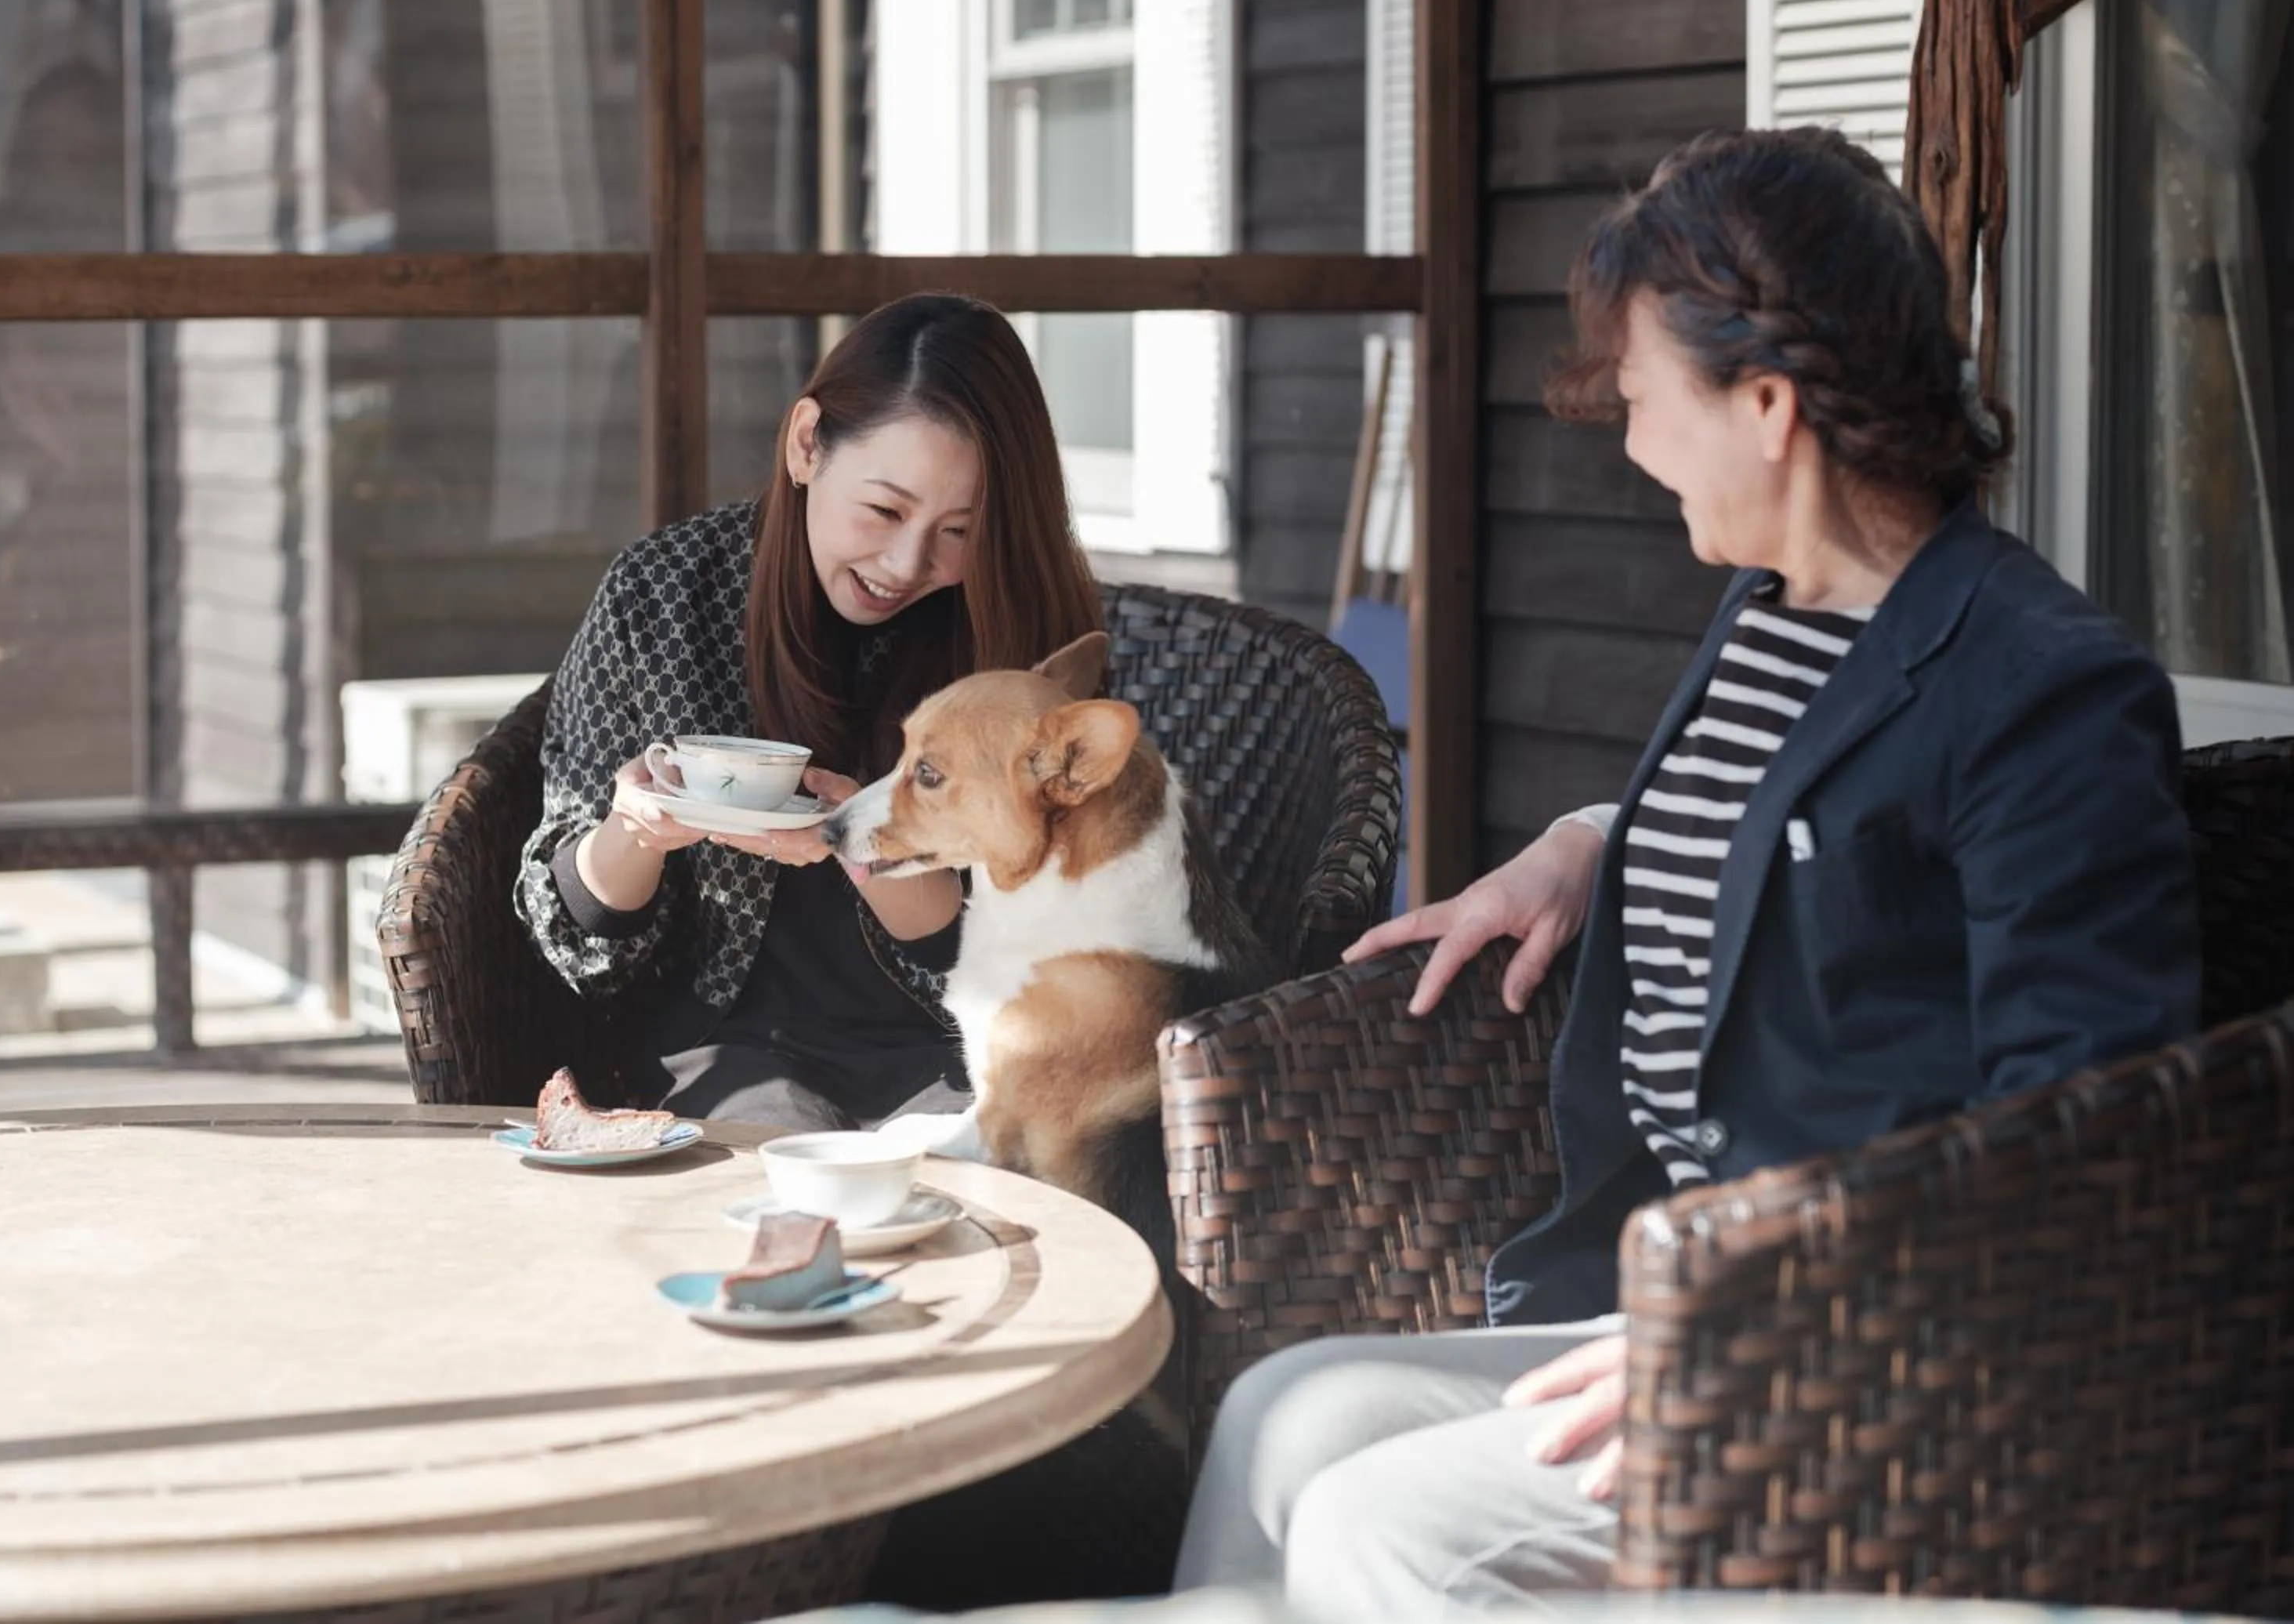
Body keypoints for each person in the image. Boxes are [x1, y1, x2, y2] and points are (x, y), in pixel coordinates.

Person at [1172, 127, 2202, 1619]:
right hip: (1667, 1286)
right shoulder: (1779, 608)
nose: (1635, 441)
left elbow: (2086, 1130)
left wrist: (1768, 1325)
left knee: (1380, 1530)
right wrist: (1595, 844)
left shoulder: (2044, 687)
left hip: (1867, 1360)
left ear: (1769, 405)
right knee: (1291, 1410)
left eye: (1650, 397)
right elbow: (1811, 816)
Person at [515, 292, 1103, 1130]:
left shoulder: (1020, 633)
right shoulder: (664, 594)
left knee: (995, 1188)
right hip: (732, 1050)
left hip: (967, 1044)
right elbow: (569, 938)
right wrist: (637, 830)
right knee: (789, 1176)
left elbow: (1043, 942)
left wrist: (862, 845)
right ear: (805, 446)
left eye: (959, 531)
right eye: (886, 510)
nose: (907, 563)